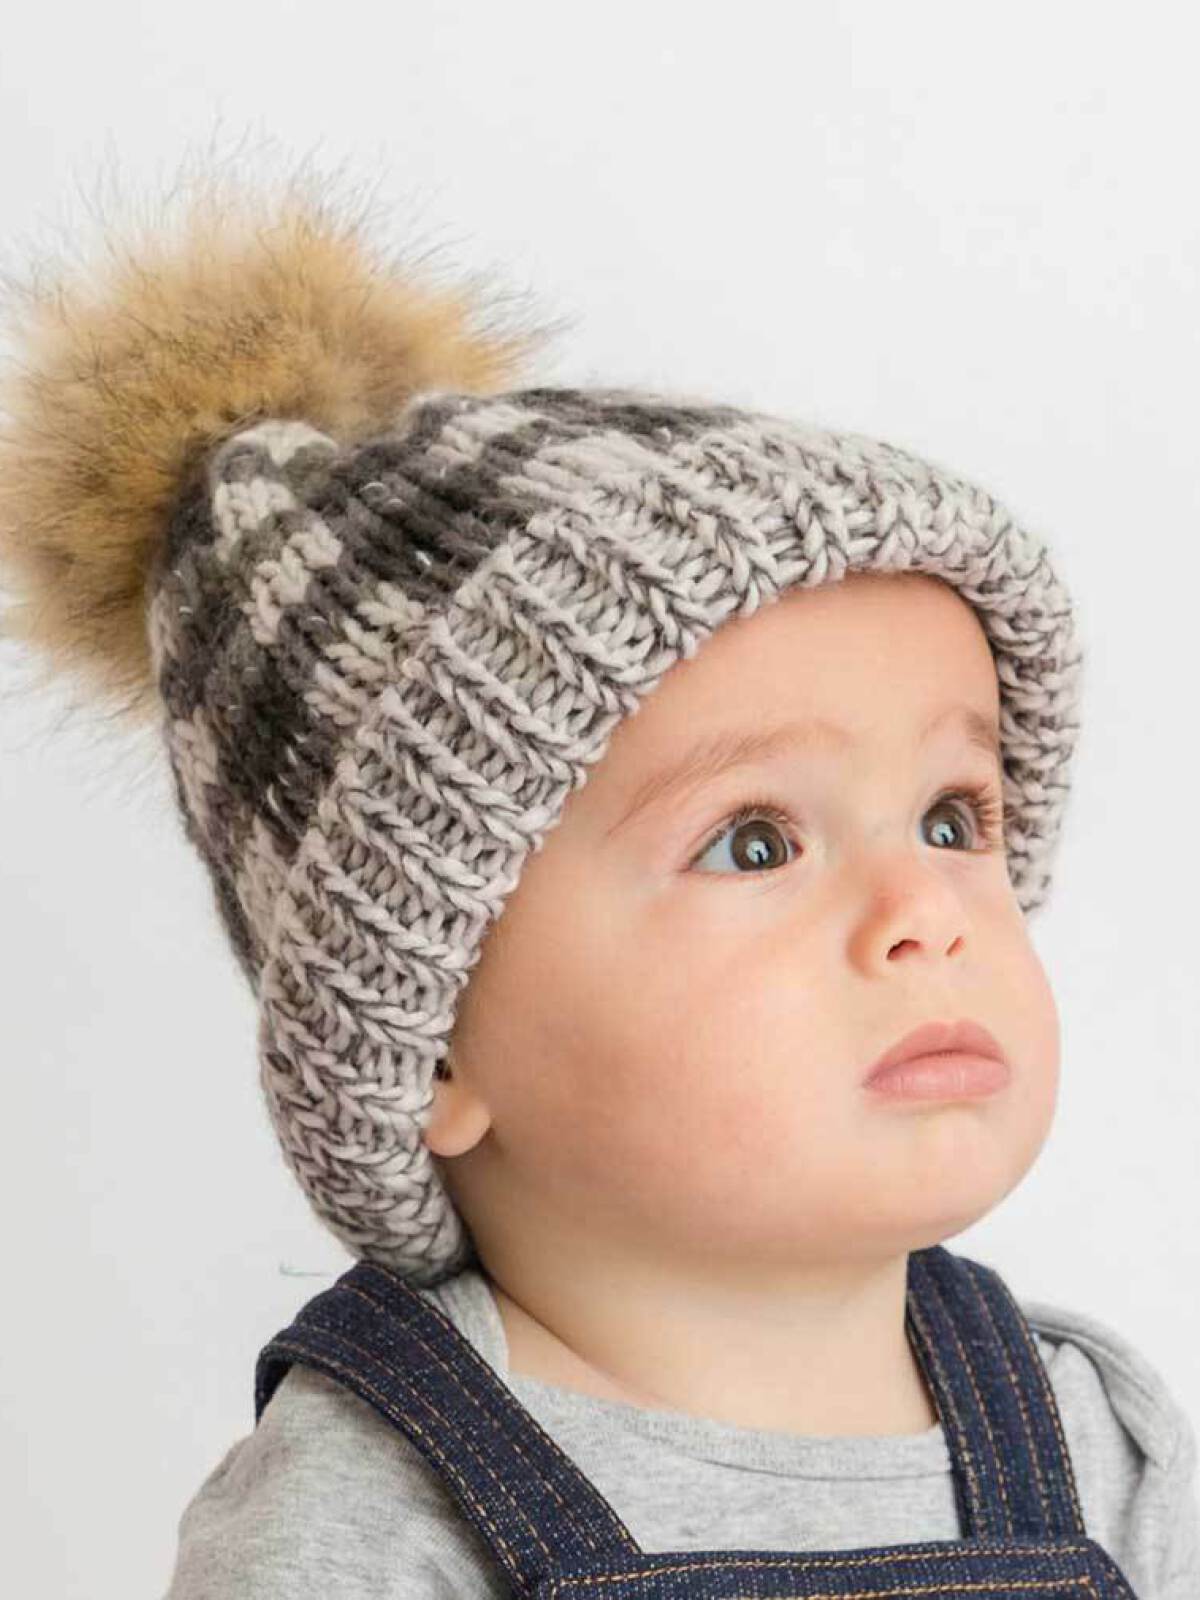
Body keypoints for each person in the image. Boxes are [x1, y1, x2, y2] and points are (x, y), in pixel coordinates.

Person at [0, 160, 1195, 1600]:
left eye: (954, 817)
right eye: (755, 840)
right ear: (429, 1037)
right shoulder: (370, 1520)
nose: (927, 915)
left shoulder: (1092, 1443)